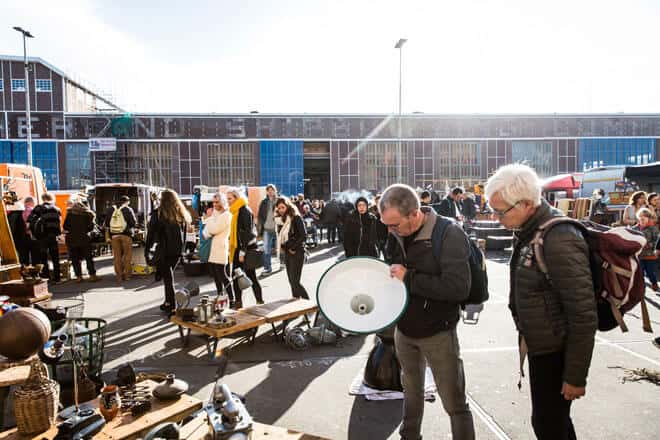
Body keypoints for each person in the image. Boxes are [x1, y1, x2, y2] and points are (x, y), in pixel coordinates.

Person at [485, 164, 597, 440]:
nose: (496, 217)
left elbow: (583, 314)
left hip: (556, 352)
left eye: (500, 211)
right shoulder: (531, 230)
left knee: (549, 425)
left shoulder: (558, 238)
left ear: (525, 204)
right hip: (542, 346)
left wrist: (574, 376)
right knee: (552, 423)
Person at [379, 184, 475, 440]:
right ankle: (409, 436)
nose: (390, 230)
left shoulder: (448, 233)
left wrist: (410, 278)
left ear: (414, 213)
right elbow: (393, 272)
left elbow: (458, 288)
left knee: (454, 402)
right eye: (386, 225)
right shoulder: (396, 232)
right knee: (410, 392)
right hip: (404, 328)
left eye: (394, 225)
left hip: (438, 332)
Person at [145, 189, 191, 314]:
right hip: (177, 250)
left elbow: (151, 233)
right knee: (168, 276)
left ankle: (172, 305)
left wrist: (147, 249)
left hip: (164, 250)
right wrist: (183, 250)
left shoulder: (159, 213)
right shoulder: (181, 213)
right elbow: (185, 234)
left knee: (168, 278)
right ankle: (168, 302)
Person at [227, 187, 263, 309]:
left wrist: (242, 251)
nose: (228, 201)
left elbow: (248, 232)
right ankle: (238, 302)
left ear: (236, 198)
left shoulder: (244, 210)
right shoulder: (234, 211)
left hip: (246, 248)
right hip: (238, 248)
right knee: (236, 275)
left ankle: (260, 301)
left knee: (251, 276)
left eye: (230, 198)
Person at [275, 197, 310, 299]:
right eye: (279, 208)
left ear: (288, 206)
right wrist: (282, 246)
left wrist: (293, 248)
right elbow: (280, 237)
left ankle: (309, 305)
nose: (281, 210)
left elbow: (303, 235)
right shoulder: (280, 220)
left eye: (283, 207)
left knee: (295, 281)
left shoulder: (296, 217)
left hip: (298, 252)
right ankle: (296, 302)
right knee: (291, 281)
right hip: (287, 252)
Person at [203, 192, 234, 298]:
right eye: (213, 202)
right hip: (214, 248)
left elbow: (214, 229)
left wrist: (208, 218)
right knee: (216, 276)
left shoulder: (226, 215)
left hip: (221, 248)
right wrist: (210, 222)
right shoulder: (216, 214)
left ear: (222, 201)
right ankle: (220, 297)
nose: (215, 204)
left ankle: (231, 298)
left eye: (217, 202)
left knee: (223, 276)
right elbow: (207, 232)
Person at [63, 198, 100, 282]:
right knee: (88, 258)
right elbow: (91, 228)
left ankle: (79, 277)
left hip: (72, 239)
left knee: (75, 259)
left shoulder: (69, 215)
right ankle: (92, 275)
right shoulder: (87, 214)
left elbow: (65, 227)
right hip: (84, 239)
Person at [28, 193, 63, 283]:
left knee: (44, 257)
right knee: (55, 257)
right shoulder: (57, 209)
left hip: (42, 237)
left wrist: (33, 233)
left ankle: (47, 276)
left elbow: (29, 220)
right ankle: (57, 277)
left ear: (43, 198)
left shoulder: (39, 208)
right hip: (54, 236)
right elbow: (59, 223)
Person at [105, 195, 137, 282]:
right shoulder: (128, 209)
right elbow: (133, 223)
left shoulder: (111, 209)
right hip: (126, 235)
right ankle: (127, 276)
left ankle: (119, 276)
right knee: (127, 256)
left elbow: (107, 224)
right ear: (127, 201)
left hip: (114, 236)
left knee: (117, 257)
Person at [633, 208, 659, 292]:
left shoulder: (653, 228)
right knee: (640, 273)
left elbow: (657, 241)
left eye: (644, 217)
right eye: (640, 217)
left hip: (650, 256)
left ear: (649, 218)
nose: (642, 219)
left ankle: (654, 283)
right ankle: (642, 288)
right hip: (639, 255)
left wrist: (648, 245)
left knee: (650, 272)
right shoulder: (635, 228)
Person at [257, 184, 278, 276]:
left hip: (278, 228)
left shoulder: (279, 201)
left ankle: (282, 263)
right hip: (266, 229)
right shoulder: (263, 202)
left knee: (280, 248)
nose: (270, 191)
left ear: (275, 190)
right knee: (266, 249)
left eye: (272, 189)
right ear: (266, 191)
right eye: (268, 190)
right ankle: (267, 268)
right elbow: (260, 217)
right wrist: (259, 230)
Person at [7, 201, 29, 265]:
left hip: (14, 237)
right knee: (22, 254)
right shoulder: (20, 215)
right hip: (20, 238)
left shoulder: (10, 215)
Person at [22, 196, 39, 265]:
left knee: (25, 256)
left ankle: (26, 272)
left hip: (23, 236)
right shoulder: (33, 211)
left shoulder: (22, 211)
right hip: (33, 236)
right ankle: (35, 272)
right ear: (31, 202)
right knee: (35, 255)